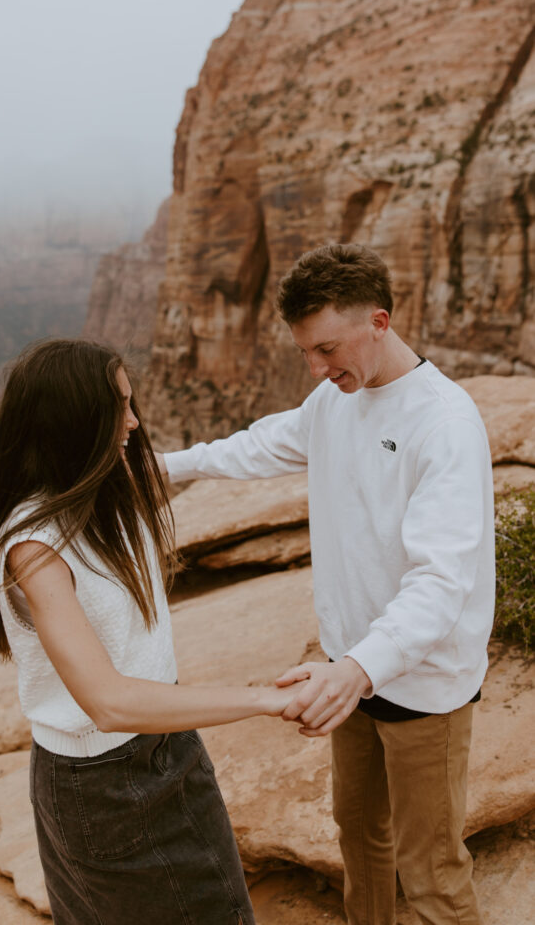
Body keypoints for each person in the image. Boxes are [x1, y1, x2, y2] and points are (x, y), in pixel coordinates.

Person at [157, 244, 494, 925]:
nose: (316, 368)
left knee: (429, 868)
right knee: (358, 836)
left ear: (378, 320)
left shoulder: (444, 423)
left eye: (326, 348)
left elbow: (440, 582)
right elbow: (262, 443)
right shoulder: (334, 398)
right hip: (351, 669)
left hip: (421, 683)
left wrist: (357, 671)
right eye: (305, 353)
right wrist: (164, 468)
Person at [0, 337, 305, 925]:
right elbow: (109, 703)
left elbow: (225, 453)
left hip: (170, 748)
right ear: (73, 423)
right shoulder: (34, 547)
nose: (135, 423)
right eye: (120, 408)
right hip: (102, 783)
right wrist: (268, 699)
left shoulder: (108, 487)